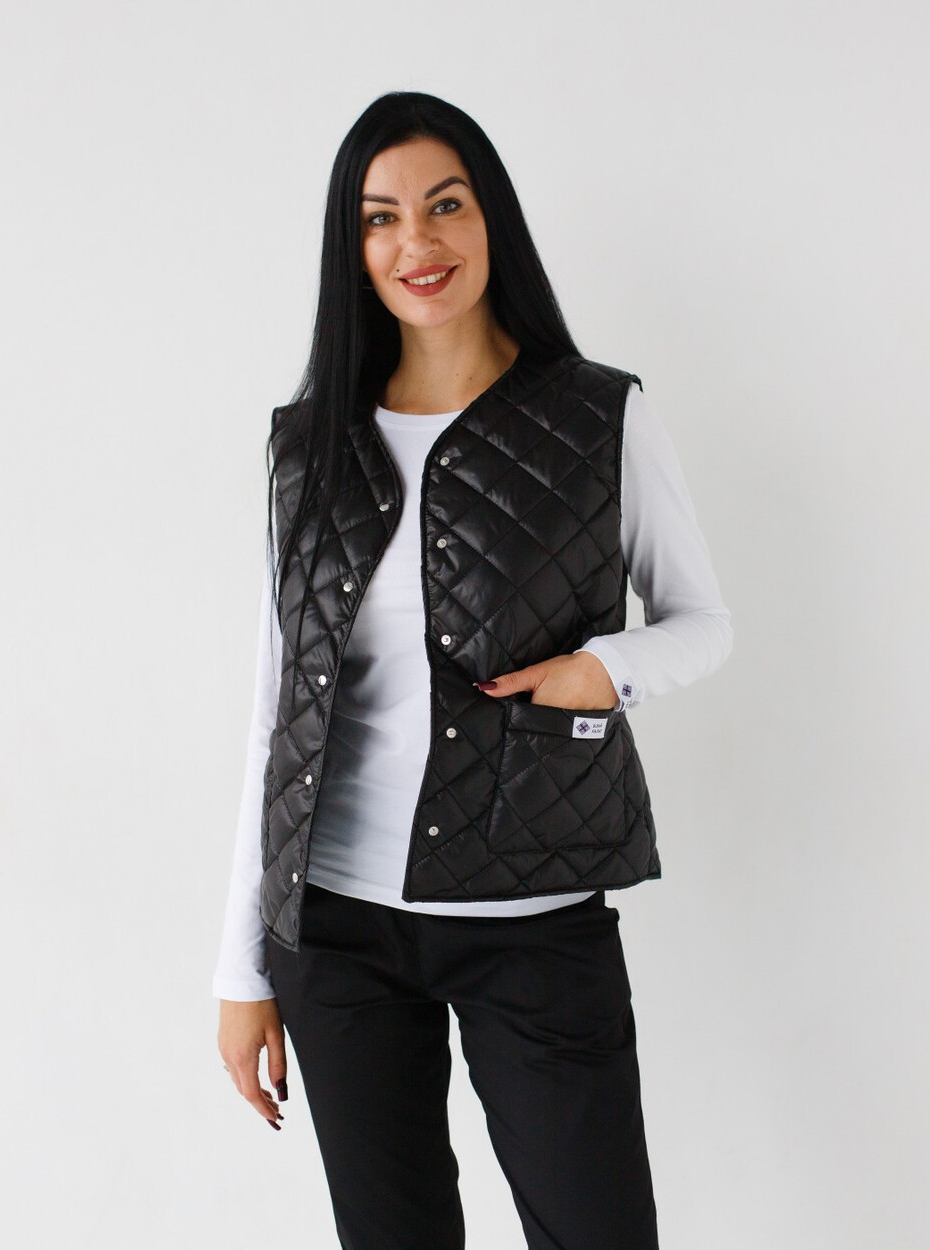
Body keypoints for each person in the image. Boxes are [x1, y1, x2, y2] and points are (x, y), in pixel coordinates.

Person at [213, 90, 733, 1250]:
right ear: (353, 248)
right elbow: (274, 715)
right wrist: (239, 968)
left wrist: (603, 668)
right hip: (336, 928)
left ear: (490, 216)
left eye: (444, 205)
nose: (417, 241)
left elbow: (702, 621)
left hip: (533, 921)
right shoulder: (308, 444)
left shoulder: (600, 415)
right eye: (380, 217)